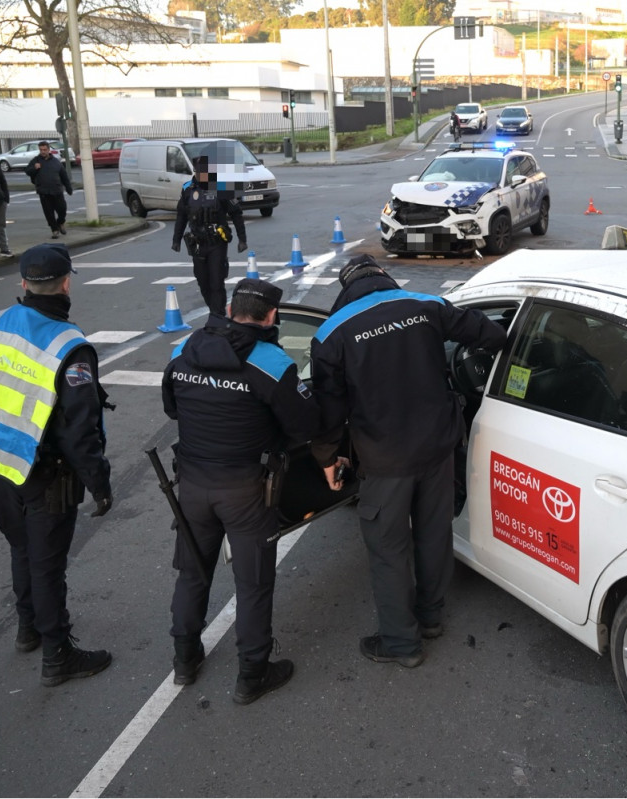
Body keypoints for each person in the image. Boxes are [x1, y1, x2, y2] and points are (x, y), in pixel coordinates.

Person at [310, 255, 507, 669]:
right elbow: (489, 335)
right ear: (384, 277)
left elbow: (329, 410)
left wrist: (329, 457)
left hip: (384, 460)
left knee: (388, 549)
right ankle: (431, 617)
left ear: (346, 289)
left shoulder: (332, 333)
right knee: (435, 534)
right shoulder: (426, 305)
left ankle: (401, 642)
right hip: (438, 447)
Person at [0, 242, 114, 686]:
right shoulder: (69, 347)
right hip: (44, 473)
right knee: (48, 564)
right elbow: (79, 431)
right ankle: (58, 654)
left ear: (23, 282)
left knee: (22, 549)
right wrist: (100, 483)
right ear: (67, 282)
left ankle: (28, 629)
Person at [162, 278, 320, 703]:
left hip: (192, 484)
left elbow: (172, 407)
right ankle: (252, 674)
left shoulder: (183, 350)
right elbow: (304, 426)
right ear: (271, 317)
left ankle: (184, 660)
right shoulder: (271, 361)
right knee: (252, 584)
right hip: (246, 490)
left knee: (193, 571)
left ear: (230, 311)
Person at [172, 156, 247, 318]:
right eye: (200, 171)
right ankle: (214, 311)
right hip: (197, 244)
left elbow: (236, 214)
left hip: (217, 243)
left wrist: (242, 239)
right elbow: (181, 215)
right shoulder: (188, 189)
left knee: (216, 282)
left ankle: (218, 315)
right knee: (203, 282)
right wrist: (176, 239)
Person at [24, 142, 73, 239]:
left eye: (45, 150)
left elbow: (64, 176)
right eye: (41, 150)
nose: (43, 152)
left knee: (62, 209)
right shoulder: (35, 161)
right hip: (44, 191)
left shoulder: (56, 161)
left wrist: (68, 188)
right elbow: (27, 171)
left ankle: (60, 222)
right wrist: (34, 168)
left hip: (57, 190)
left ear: (48, 150)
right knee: (49, 212)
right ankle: (54, 229)